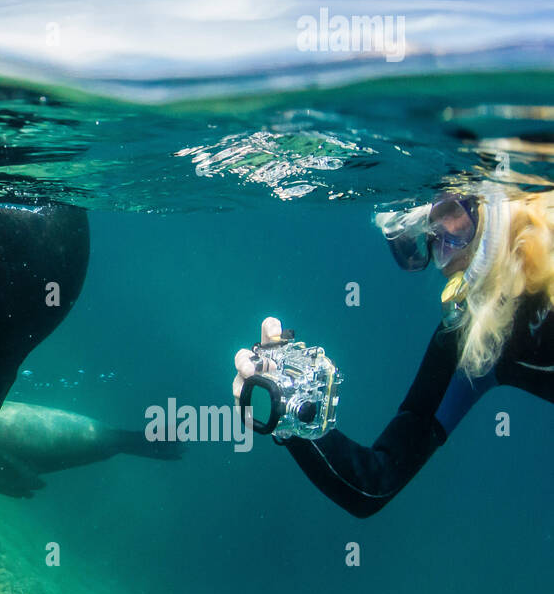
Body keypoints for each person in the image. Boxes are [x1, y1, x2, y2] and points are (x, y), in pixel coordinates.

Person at [233, 187, 554, 517]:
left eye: (452, 226)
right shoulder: (473, 346)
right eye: (426, 241)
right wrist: (291, 410)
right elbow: (375, 484)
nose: (444, 263)